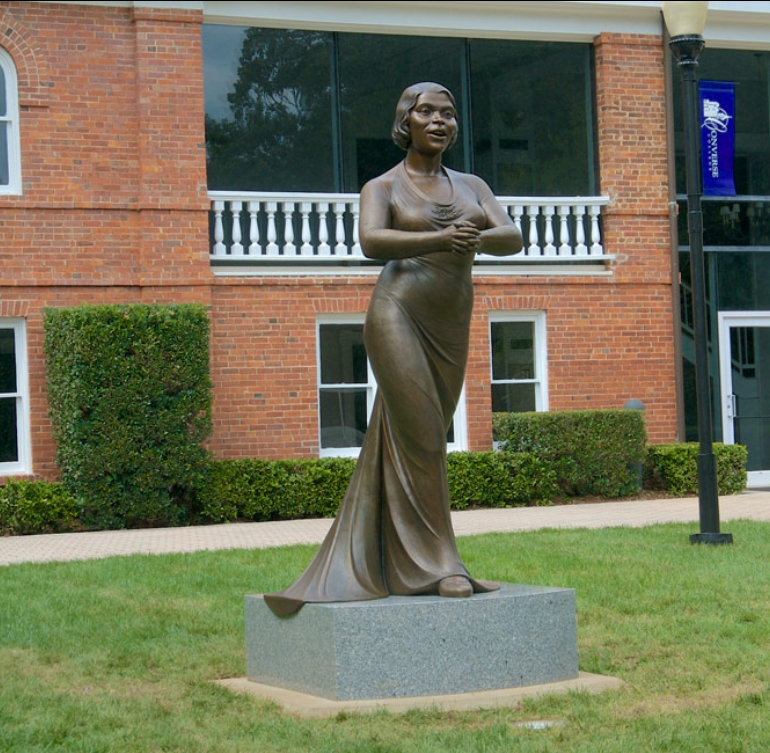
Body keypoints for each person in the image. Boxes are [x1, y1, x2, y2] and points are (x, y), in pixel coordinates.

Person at [264, 82, 523, 617]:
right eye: (426, 112)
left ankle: (386, 560)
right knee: (425, 436)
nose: (439, 121)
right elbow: (371, 242)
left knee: (414, 437)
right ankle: (439, 565)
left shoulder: (472, 184)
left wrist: (473, 229)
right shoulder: (382, 185)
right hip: (397, 312)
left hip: (450, 319)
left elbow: (512, 235)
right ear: (405, 121)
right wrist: (442, 238)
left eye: (448, 114)